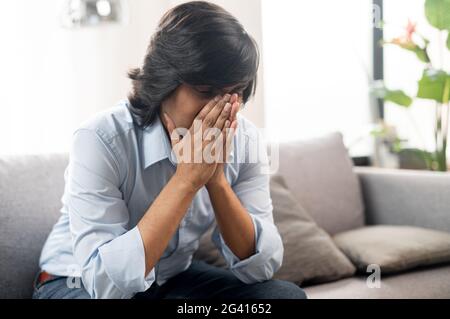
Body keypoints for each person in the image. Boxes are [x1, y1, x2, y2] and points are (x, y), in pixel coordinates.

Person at [33, 1, 307, 299]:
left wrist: (215, 179)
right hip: (76, 281)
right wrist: (187, 179)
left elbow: (261, 268)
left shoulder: (246, 140)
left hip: (170, 280)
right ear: (165, 81)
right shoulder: (100, 138)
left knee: (283, 297)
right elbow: (106, 285)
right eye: (205, 91)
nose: (222, 107)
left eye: (235, 92)